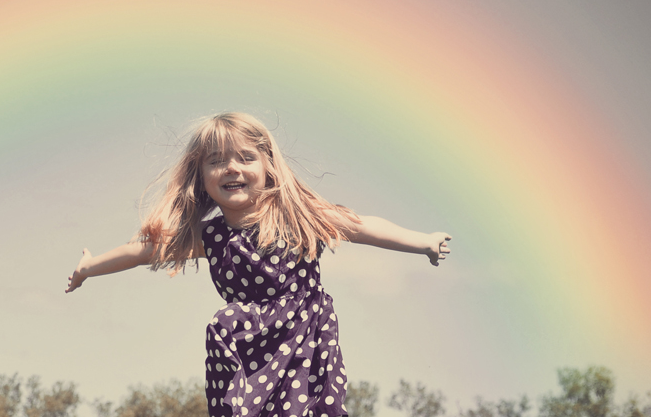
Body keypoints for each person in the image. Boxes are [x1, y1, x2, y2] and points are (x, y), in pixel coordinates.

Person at [65, 112, 451, 417]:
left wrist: (423, 242)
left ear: (268, 164)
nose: (232, 168)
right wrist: (89, 267)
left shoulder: (296, 215)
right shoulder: (211, 237)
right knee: (227, 338)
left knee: (303, 409)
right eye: (217, 161)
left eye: (245, 157)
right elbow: (142, 252)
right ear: (201, 178)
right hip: (249, 345)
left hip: (303, 338)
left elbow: (363, 226)